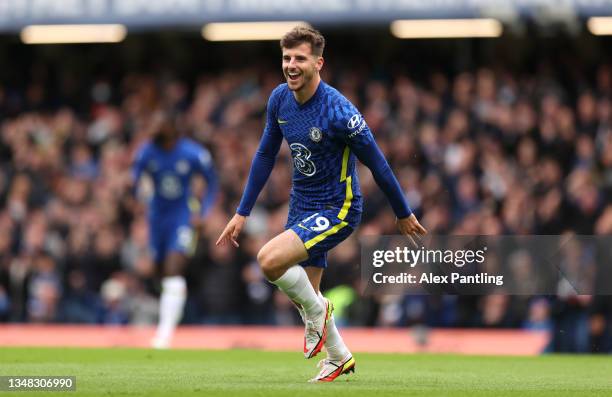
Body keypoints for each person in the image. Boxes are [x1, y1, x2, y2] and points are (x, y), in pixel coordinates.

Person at [216, 26, 426, 382]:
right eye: (286, 58)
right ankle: (338, 357)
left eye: (299, 58)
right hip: (301, 204)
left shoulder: (339, 111)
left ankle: (321, 310)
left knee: (269, 261)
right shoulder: (279, 99)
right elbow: (266, 153)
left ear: (318, 63)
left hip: (337, 207)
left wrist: (403, 212)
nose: (291, 65)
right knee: (305, 298)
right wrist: (242, 211)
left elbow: (379, 164)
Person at [132, 109, 218, 349]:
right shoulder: (146, 152)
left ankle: (164, 333)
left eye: (158, 124)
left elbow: (213, 182)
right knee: (159, 272)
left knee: (173, 269)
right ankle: (169, 318)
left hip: (182, 216)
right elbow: (134, 182)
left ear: (171, 127)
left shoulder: (193, 153)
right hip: (156, 218)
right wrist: (136, 198)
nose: (153, 129)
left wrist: (204, 211)